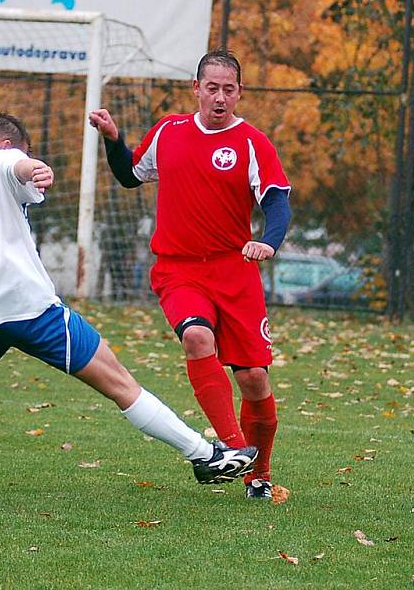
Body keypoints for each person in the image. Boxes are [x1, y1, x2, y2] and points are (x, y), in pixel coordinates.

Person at [0, 112, 257, 501]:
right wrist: (37, 169)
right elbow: (18, 166)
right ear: (6, 144)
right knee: (120, 382)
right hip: (29, 306)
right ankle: (205, 455)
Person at [88, 50, 292, 500]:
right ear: (196, 89)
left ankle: (259, 474)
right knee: (197, 338)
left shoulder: (252, 142)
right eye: (212, 88)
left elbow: (277, 200)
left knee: (254, 379)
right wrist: (113, 139)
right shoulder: (169, 131)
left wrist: (269, 242)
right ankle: (235, 449)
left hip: (235, 272)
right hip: (178, 269)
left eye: (229, 89)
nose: (220, 97)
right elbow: (129, 175)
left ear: (239, 93)